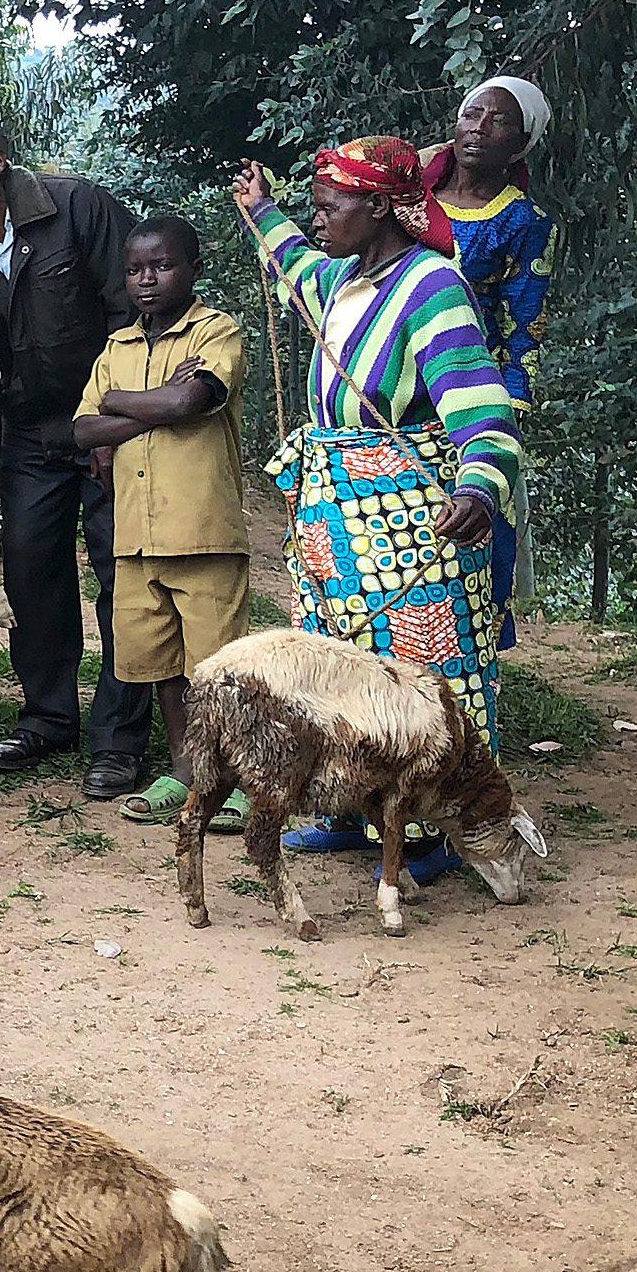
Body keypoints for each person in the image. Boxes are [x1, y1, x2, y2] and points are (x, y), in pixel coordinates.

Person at [235, 142, 519, 884]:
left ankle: (429, 830)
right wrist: (261, 207)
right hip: (333, 513)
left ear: (382, 209)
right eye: (317, 208)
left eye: (331, 207)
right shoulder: (340, 278)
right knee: (337, 663)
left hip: (408, 517)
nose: (319, 220)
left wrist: (479, 485)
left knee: (418, 675)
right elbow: (294, 262)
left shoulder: (432, 287)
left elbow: (481, 404)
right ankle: (352, 812)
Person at [0, 111, 151, 797]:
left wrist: (112, 421)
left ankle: (119, 737)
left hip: (113, 425)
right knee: (28, 568)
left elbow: (131, 313)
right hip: (30, 437)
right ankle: (49, 716)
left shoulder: (77, 206)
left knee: (122, 577)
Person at [68, 214, 251, 831]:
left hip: (201, 531)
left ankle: (240, 779)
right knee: (161, 663)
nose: (146, 280)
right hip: (135, 536)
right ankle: (187, 769)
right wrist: (142, 404)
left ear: (193, 270)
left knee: (218, 669)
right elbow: (81, 430)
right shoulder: (116, 348)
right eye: (135, 269)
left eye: (162, 266)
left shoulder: (215, 333)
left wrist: (122, 403)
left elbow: (189, 400)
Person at [423, 75, 555, 651]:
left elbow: (525, 324)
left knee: (467, 522)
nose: (478, 128)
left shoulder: (525, 224)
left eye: (497, 120)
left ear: (521, 140)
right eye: (472, 114)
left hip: (467, 391)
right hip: (394, 377)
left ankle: (465, 659)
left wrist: (503, 414)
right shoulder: (409, 194)